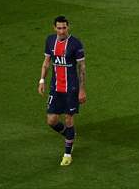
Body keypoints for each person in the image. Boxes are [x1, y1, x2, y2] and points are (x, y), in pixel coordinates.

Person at [37, 16, 86, 166]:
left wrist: (82, 90)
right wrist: (42, 80)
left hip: (71, 89)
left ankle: (67, 153)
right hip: (56, 87)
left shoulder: (76, 44)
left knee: (69, 119)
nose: (62, 30)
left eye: (64, 27)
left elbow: (82, 68)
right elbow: (46, 63)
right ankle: (69, 136)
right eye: (59, 28)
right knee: (51, 120)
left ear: (68, 27)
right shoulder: (50, 41)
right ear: (54, 28)